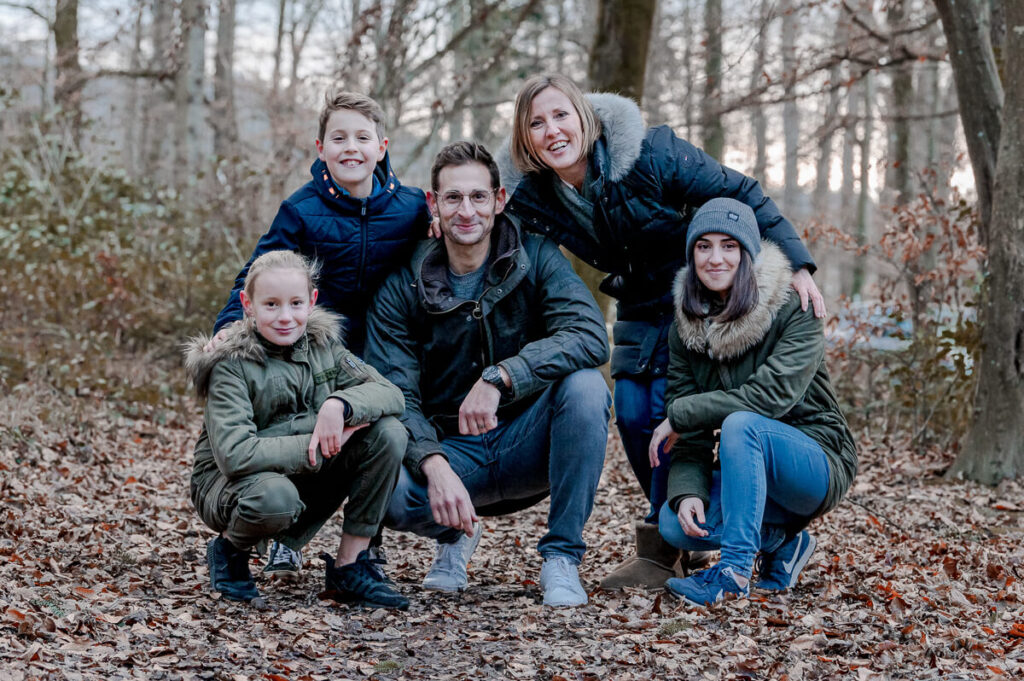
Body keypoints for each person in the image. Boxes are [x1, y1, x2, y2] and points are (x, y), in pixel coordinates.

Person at [499, 73, 827, 589]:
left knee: (666, 409)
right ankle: (676, 532)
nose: (552, 130)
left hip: (692, 293)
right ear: (525, 139)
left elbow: (740, 191)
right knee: (630, 412)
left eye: (561, 115)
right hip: (635, 300)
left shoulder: (653, 153)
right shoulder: (531, 195)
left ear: (584, 116)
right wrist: (433, 227)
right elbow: (485, 225)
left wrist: (800, 264)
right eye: (537, 123)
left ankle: (667, 548)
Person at [364, 141, 611, 607]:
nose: (466, 211)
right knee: (390, 491)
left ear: (498, 200)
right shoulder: (403, 283)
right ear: (433, 204)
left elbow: (590, 336)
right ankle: (456, 534)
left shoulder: (536, 256)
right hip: (454, 455)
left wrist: (503, 376)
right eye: (453, 198)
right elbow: (394, 392)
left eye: (478, 197)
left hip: (529, 441)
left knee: (585, 387)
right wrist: (433, 464)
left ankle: (561, 558)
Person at [207, 90, 430, 578]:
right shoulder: (302, 209)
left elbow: (440, 244)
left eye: (362, 138)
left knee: (379, 428)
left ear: (382, 146)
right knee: (306, 432)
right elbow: (258, 271)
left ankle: (366, 545)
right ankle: (287, 535)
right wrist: (228, 326)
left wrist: (441, 228)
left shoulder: (411, 206)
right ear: (320, 147)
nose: (351, 147)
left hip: (381, 340)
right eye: (338, 138)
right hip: (314, 341)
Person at [647, 198, 857, 606]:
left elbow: (770, 397)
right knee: (676, 524)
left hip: (816, 459)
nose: (715, 258)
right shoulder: (687, 328)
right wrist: (689, 489)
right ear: (691, 255)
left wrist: (679, 415)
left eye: (729, 245)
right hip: (748, 467)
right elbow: (690, 434)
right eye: (703, 246)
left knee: (744, 423)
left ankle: (733, 573)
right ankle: (782, 543)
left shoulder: (794, 306)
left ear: (748, 253)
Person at [185, 250, 410, 609]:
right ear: (248, 304)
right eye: (271, 304)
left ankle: (350, 566)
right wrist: (317, 438)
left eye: (295, 303)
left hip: (298, 470)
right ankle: (230, 551)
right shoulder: (229, 363)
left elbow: (390, 393)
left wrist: (339, 405)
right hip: (228, 484)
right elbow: (236, 455)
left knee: (388, 433)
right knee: (275, 498)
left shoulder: (325, 346)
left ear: (312, 301)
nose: (286, 317)